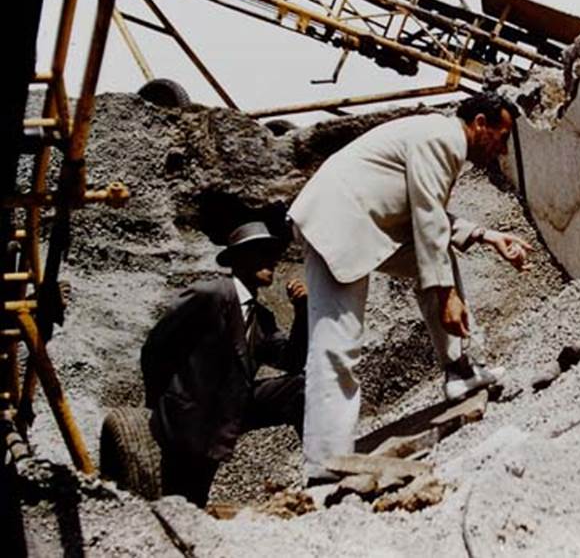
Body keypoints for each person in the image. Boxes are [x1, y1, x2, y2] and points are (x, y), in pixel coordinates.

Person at [289, 94, 533, 482]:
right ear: (481, 123)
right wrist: (447, 295)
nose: (502, 149)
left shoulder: (439, 137)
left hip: (365, 224)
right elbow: (429, 217)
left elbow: (429, 211)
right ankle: (324, 461)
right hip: (336, 225)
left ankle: (458, 371)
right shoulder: (443, 139)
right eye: (501, 137)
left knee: (437, 264)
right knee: (337, 343)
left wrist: (487, 236)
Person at [140, 221, 308, 507]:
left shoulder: (262, 319)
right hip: (189, 420)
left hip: (228, 413)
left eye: (272, 254)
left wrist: (303, 312)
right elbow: (156, 345)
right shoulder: (211, 295)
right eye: (260, 252)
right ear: (239, 259)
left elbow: (291, 362)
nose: (271, 261)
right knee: (183, 503)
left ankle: (320, 474)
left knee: (303, 386)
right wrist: (165, 401)